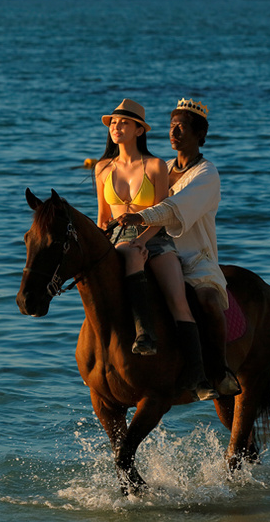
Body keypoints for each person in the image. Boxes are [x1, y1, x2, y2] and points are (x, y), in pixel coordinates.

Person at [94, 99, 218, 401]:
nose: (116, 127)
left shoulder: (158, 166)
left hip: (156, 237)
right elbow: (102, 218)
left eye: (123, 123)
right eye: (113, 122)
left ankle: (201, 375)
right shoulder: (101, 168)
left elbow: (164, 210)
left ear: (139, 130)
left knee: (181, 299)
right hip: (118, 238)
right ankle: (128, 340)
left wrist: (143, 238)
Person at [117, 98, 240, 396]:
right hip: (158, 248)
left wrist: (140, 216)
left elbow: (173, 208)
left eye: (181, 127)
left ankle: (218, 371)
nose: (174, 132)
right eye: (172, 126)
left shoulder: (207, 175)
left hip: (196, 258)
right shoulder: (161, 166)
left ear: (199, 135)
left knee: (209, 301)